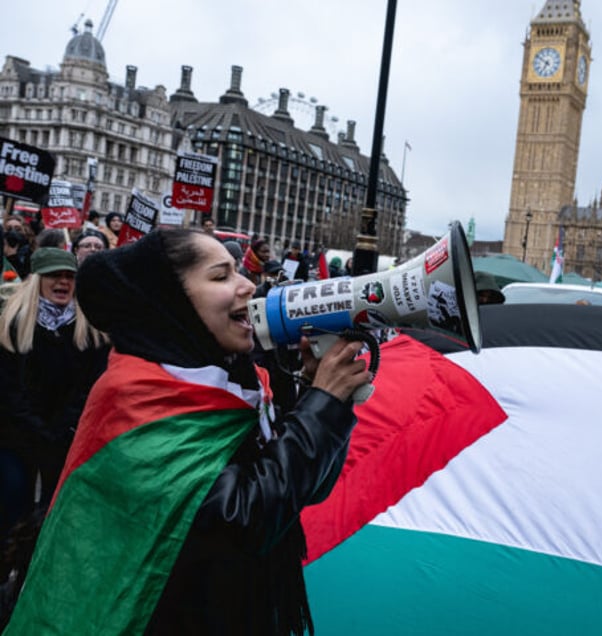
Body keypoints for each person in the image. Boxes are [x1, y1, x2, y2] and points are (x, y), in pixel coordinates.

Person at [3, 229, 370, 634]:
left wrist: (317, 397)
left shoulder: (235, 382)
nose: (248, 285)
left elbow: (303, 489)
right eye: (221, 276)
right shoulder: (135, 398)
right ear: (170, 301)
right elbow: (243, 519)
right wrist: (322, 405)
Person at [0, 248, 109, 530]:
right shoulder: (11, 324)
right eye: (54, 275)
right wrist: (37, 431)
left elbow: (91, 385)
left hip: (67, 440)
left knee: (55, 516)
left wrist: (63, 429)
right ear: (38, 279)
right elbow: (8, 389)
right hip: (16, 437)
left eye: (69, 276)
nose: (63, 282)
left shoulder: (92, 329)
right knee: (12, 504)